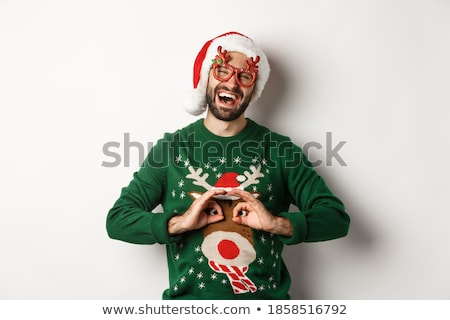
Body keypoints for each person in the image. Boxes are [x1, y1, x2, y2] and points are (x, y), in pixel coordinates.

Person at [106, 31, 350, 300]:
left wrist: (277, 224)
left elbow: (336, 219)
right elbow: (118, 220)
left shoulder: (281, 150)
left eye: (244, 76)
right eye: (222, 71)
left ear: (253, 88)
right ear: (205, 79)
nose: (232, 84)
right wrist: (179, 224)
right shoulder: (171, 149)